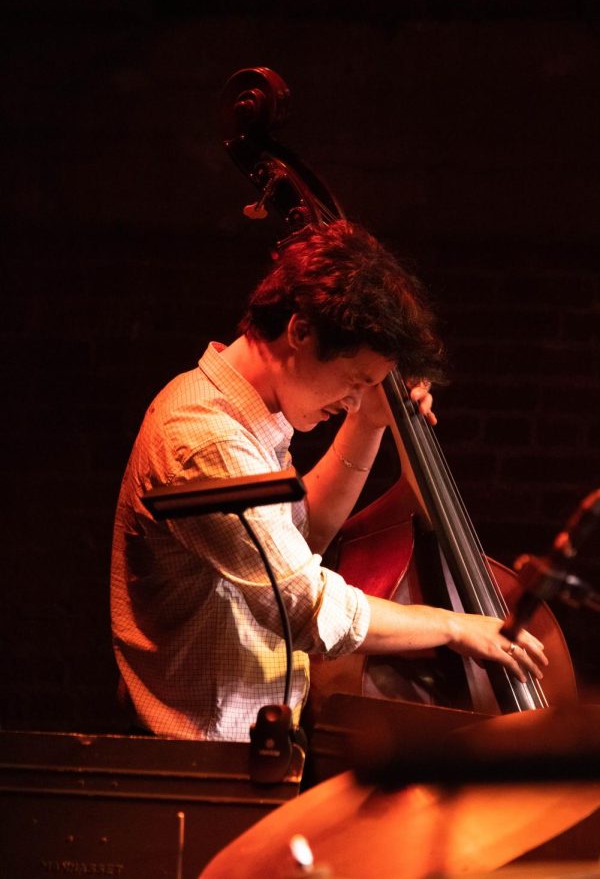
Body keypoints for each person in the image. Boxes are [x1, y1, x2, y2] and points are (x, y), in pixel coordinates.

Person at [111, 220, 547, 742]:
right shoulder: (207, 439)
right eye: (355, 380)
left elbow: (302, 537)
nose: (355, 398)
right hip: (201, 759)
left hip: (239, 749)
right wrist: (456, 626)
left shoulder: (249, 421)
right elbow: (305, 608)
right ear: (300, 330)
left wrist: (368, 423)